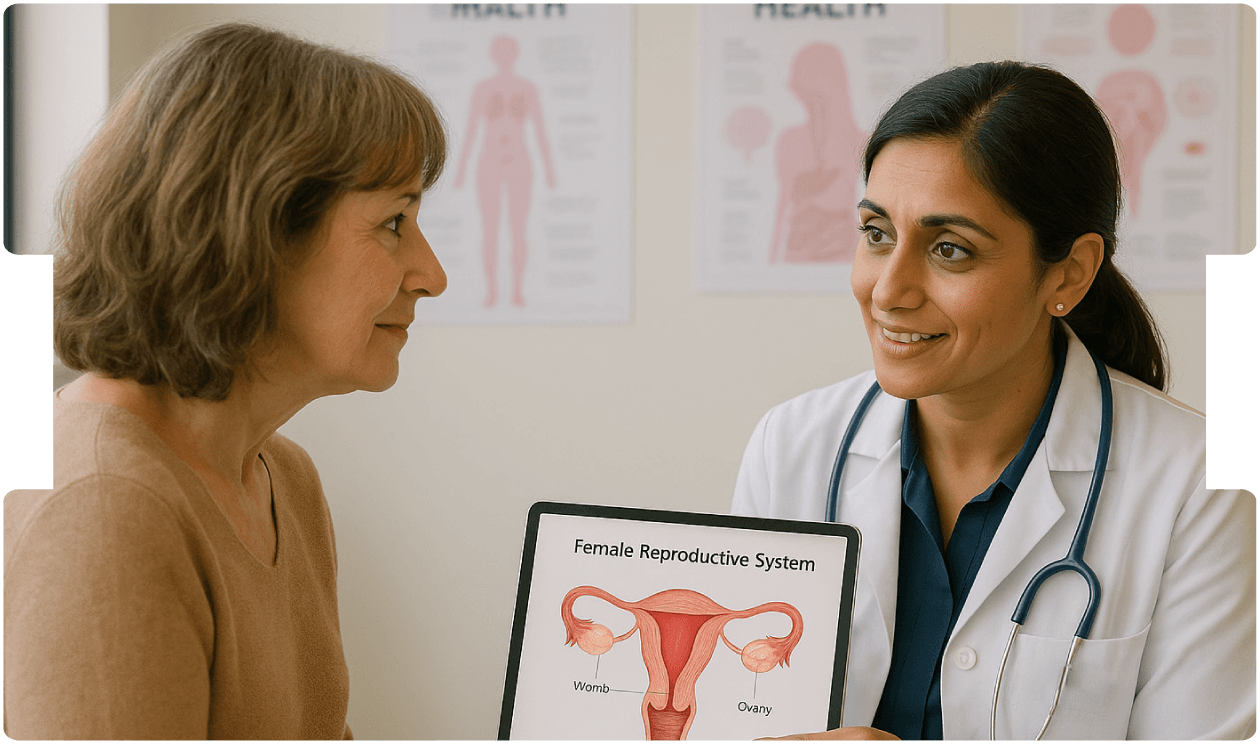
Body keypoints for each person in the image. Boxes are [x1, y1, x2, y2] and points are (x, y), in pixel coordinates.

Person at [731, 61, 1256, 741]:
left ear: (1068, 272)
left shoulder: (1200, 480)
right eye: (876, 234)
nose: (889, 289)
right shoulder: (792, 446)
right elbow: (738, 704)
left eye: (949, 249)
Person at [3, 23, 447, 740]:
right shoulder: (104, 510)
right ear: (255, 233)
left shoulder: (284, 478)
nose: (432, 275)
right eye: (394, 222)